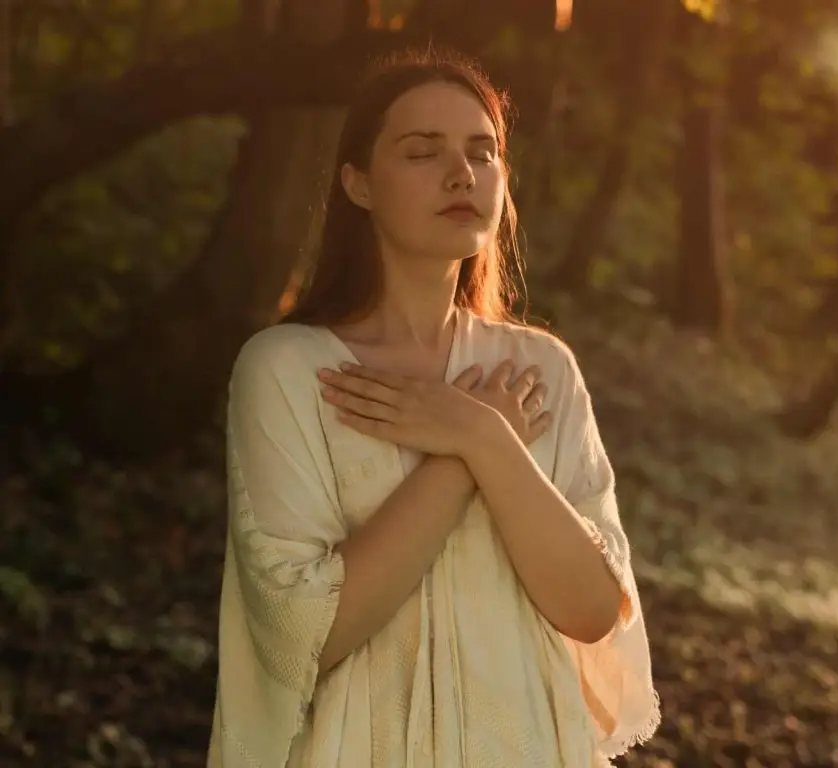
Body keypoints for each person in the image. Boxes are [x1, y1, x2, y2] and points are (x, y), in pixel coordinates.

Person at [207, 47, 659, 768]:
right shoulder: (289, 370)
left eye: (483, 153)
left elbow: (591, 610)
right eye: (423, 152)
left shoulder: (539, 371)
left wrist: (485, 436)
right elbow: (304, 636)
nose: (462, 174)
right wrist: (461, 456)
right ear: (359, 184)